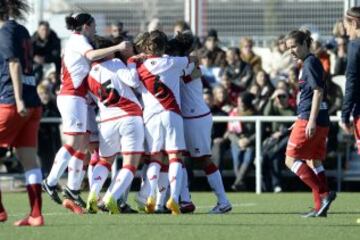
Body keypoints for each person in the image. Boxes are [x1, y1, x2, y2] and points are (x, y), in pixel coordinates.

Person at [42, 12, 130, 214]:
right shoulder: (80, 40)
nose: (96, 29)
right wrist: (117, 48)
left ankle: (72, 190)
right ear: (86, 26)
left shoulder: (76, 40)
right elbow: (91, 56)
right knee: (75, 143)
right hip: (72, 96)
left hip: (77, 98)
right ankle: (51, 180)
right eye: (94, 25)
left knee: (82, 144)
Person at [129, 30, 195, 215]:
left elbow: (133, 81)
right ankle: (173, 198)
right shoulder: (172, 62)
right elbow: (193, 59)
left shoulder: (140, 68)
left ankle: (150, 195)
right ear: (164, 46)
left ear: (147, 47)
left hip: (151, 117)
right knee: (175, 158)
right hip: (172, 114)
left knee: (156, 159)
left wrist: (134, 59)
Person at [168, 31, 232, 213]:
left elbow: (184, 70)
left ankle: (223, 201)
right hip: (187, 117)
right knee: (179, 159)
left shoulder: (186, 65)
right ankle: (185, 201)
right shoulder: (188, 62)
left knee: (204, 160)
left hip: (195, 118)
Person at [85, 36, 143, 214]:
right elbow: (133, 81)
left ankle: (92, 195)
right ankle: (112, 196)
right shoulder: (116, 63)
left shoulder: (89, 76)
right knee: (130, 164)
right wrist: (132, 62)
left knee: (105, 161)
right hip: (129, 116)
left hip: (106, 120)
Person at [0, 0, 44, 226]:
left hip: (13, 103)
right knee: (28, 159)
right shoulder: (22, 29)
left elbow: (14, 64)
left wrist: (17, 101)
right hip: (33, 103)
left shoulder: (5, 32)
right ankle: (36, 215)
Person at [285, 29, 336, 218]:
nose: (291, 51)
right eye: (288, 48)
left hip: (312, 118)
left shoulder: (310, 63)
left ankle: (324, 194)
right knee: (313, 160)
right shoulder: (309, 62)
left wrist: (310, 120)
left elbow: (317, 92)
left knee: (290, 159)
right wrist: (301, 118)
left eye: (294, 46)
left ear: (305, 44)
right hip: (315, 118)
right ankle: (319, 207)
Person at [339, 7, 360, 223]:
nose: (345, 29)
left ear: (354, 23)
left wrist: (345, 115)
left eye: (346, 25)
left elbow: (352, 81)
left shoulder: (355, 45)